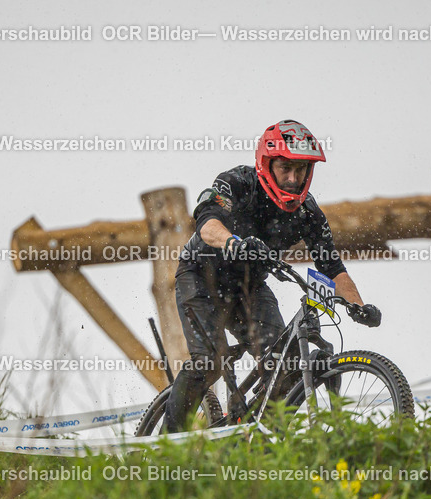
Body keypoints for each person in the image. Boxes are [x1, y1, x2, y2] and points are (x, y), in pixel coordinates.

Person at [163, 120, 381, 432]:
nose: (293, 179)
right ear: (267, 164)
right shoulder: (238, 182)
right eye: (285, 169)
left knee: (288, 365)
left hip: (250, 287)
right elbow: (207, 224)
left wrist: (358, 305)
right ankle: (165, 445)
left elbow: (332, 267)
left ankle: (259, 443)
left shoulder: (307, 212)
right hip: (201, 276)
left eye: (301, 170)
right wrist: (235, 243)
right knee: (210, 361)